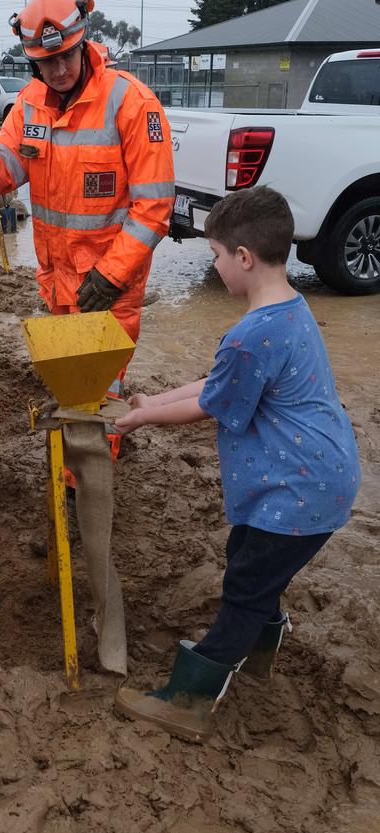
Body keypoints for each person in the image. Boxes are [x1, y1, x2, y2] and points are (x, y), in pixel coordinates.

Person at [113, 187, 361, 743]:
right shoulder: (289, 309)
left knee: (246, 586)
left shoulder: (250, 336)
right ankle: (261, 650)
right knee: (249, 557)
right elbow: (217, 382)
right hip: (319, 476)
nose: (217, 268)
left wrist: (142, 421)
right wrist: (152, 400)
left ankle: (188, 701)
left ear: (243, 258)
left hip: (299, 488)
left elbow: (208, 405)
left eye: (217, 257)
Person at [0, 0, 175, 454]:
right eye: (46, 62)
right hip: (58, 281)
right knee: (69, 393)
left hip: (109, 290)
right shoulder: (29, 104)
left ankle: (89, 496)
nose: (58, 70)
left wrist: (111, 274)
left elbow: (154, 208)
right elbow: (3, 171)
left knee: (100, 400)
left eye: (65, 56)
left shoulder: (131, 103)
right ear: (31, 62)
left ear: (82, 42)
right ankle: (72, 481)